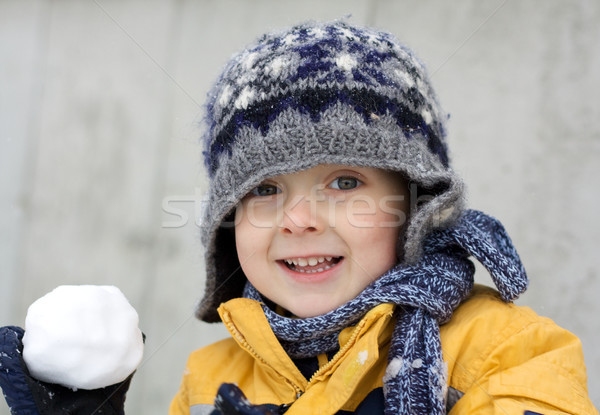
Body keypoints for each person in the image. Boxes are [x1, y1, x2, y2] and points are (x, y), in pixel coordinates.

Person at [0, 19, 597, 415]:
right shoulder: (210, 379)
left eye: (344, 182)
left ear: (415, 208)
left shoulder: (509, 354)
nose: (300, 218)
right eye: (264, 189)